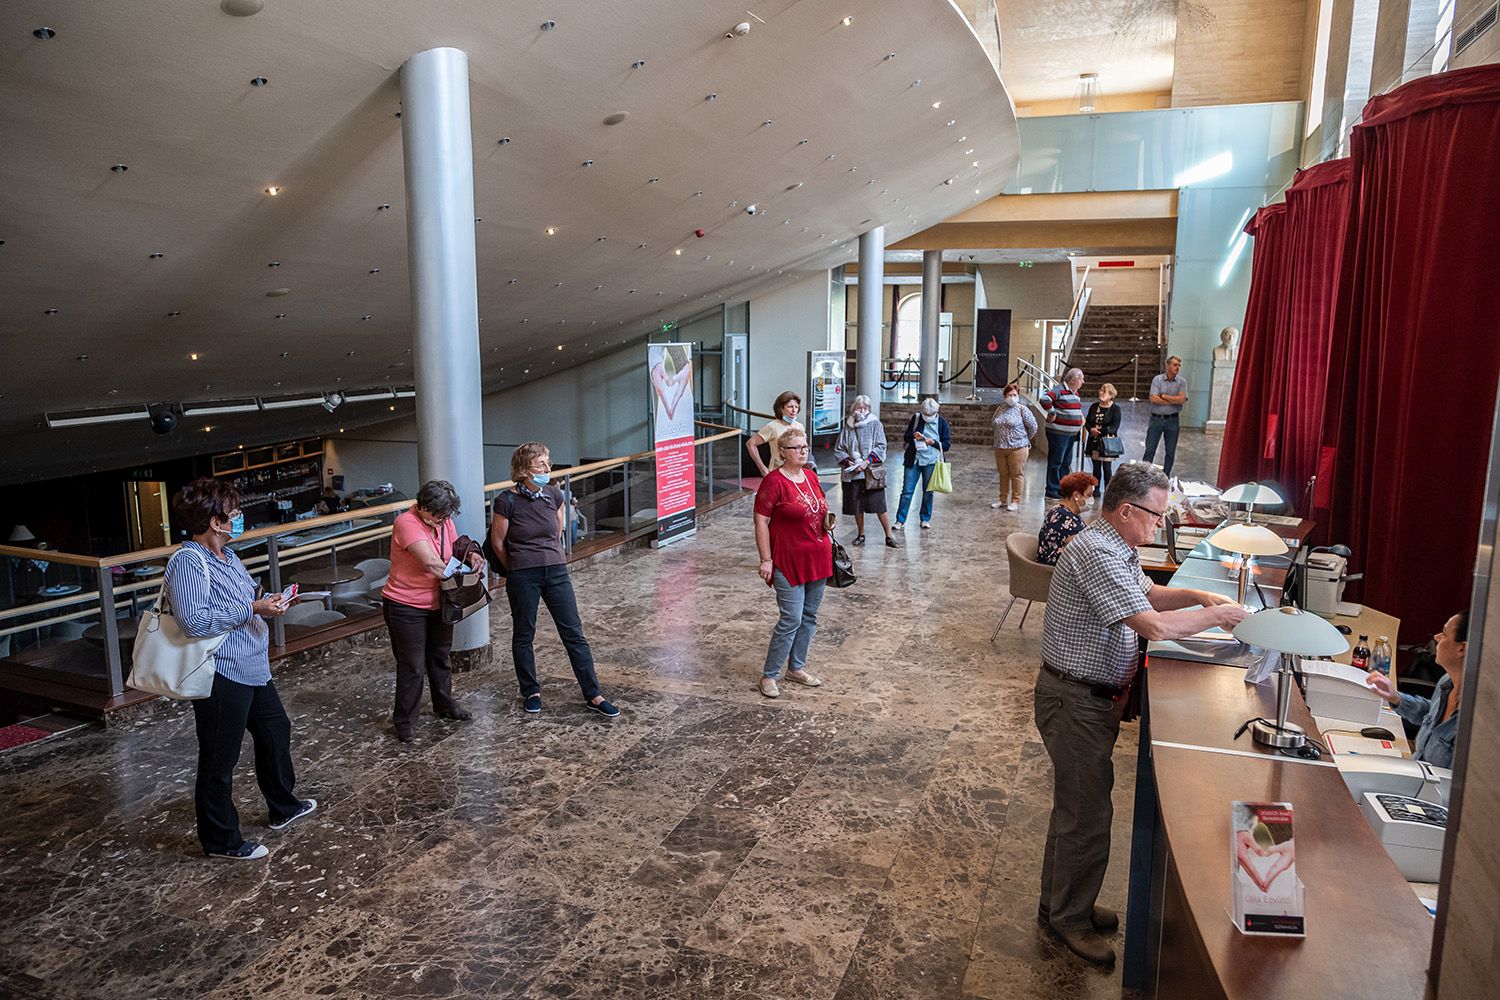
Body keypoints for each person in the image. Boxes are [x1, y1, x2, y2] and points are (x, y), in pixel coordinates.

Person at [1035, 463, 1249, 966]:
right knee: (1087, 816)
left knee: (1076, 809)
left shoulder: (1117, 545)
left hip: (1090, 700)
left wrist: (1196, 594)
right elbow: (1152, 625)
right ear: (1127, 510)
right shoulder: (1097, 552)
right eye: (1157, 514)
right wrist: (1219, 617)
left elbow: (1148, 595)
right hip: (1074, 702)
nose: (1161, 523)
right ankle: (1068, 919)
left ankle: (1062, 902)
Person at [167, 478, 315, 861]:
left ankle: (283, 806)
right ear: (214, 521)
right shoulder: (187, 561)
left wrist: (270, 601)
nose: (237, 518)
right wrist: (253, 609)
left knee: (275, 730)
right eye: (232, 514)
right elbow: (193, 621)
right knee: (219, 758)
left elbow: (249, 597)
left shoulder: (228, 557)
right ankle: (221, 841)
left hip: (252, 665)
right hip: (220, 671)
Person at [490, 442, 619, 718]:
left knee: (574, 633)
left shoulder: (553, 493)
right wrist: (517, 567)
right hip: (523, 574)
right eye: (541, 465)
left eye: (548, 462)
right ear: (524, 470)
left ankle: (593, 694)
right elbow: (498, 542)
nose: (547, 469)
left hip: (556, 570)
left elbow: (557, 531)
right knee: (524, 633)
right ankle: (531, 691)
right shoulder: (506, 500)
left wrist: (550, 558)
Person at [382, 480, 482, 743]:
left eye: (445, 517)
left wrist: (471, 557)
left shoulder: (444, 520)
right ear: (422, 507)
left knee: (440, 657)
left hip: (439, 601)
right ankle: (404, 721)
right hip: (405, 605)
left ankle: (444, 704)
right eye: (437, 517)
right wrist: (466, 575)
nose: (442, 521)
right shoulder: (406, 523)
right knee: (412, 666)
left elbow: (451, 551)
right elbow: (431, 563)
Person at [754, 425, 832, 698]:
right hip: (787, 559)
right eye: (796, 448)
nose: (803, 451)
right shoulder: (774, 481)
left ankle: (796, 667)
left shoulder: (810, 476)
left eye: (805, 447)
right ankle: (769, 675)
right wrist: (766, 560)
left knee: (809, 616)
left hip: (818, 556)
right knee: (791, 618)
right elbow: (761, 521)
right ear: (782, 452)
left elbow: (820, 507)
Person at [1366, 611, 1467, 768]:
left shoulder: (1471, 721)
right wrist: (1396, 697)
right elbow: (1430, 713)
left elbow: (1451, 785)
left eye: (1445, 634)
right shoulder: (1446, 682)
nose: (1436, 637)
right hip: (1415, 771)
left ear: (1462, 649)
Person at [833, 394, 898, 548]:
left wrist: (867, 461)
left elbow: (881, 446)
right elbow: (839, 448)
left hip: (871, 473)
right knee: (857, 506)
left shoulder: (875, 424)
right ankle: (861, 534)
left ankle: (889, 536)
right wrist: (848, 461)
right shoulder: (847, 425)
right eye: (858, 407)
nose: (861, 410)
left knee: (879, 506)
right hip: (853, 473)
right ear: (853, 408)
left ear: (869, 409)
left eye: (864, 407)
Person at [895, 395, 951, 530]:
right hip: (914, 459)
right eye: (925, 414)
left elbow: (947, 444)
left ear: (935, 412)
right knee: (907, 491)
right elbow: (906, 436)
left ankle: (925, 518)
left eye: (930, 414)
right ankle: (900, 520)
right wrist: (914, 435)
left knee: (928, 492)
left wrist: (933, 442)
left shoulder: (942, 423)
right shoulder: (916, 418)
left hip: (931, 460)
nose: (927, 416)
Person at [1040, 368, 1085, 499]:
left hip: (1071, 434)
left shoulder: (1075, 393)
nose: (1083, 381)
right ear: (1072, 380)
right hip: (1058, 433)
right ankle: (1052, 488)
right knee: (1056, 461)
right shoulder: (1059, 390)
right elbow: (1045, 399)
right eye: (1081, 378)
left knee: (1066, 462)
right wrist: (1052, 413)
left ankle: (1063, 488)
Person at [991, 382, 1036, 511]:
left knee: (1016, 474)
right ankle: (1002, 499)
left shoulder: (1022, 409)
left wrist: (1024, 439)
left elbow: (1033, 426)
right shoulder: (1000, 408)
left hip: (1018, 448)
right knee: (1003, 474)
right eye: (1009, 395)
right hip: (1000, 447)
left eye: (1014, 395)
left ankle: (1016, 501)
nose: (1012, 397)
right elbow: (993, 422)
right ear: (1005, 396)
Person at [1036, 472, 1096, 565]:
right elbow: (1086, 545)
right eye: (1089, 495)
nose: (1092, 499)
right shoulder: (1064, 517)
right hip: (1055, 571)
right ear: (1076, 496)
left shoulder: (1059, 509)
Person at [1142, 355, 1188, 475]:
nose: (1177, 367)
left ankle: (1166, 476)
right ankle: (1144, 475)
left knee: (1170, 451)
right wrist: (1174, 399)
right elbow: (1153, 399)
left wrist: (1164, 396)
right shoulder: (1157, 380)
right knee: (1150, 449)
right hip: (1156, 419)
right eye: (1175, 365)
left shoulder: (1181, 382)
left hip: (1172, 420)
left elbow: (1182, 399)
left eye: (1179, 365)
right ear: (1167, 365)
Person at [745, 390, 804, 477]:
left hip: (797, 472)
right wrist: (762, 468)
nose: (794, 410)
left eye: (796, 407)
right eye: (790, 407)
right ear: (781, 408)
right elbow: (751, 444)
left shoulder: (800, 426)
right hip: (778, 473)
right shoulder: (772, 426)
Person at [1084, 383, 1122, 496]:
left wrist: (1100, 431)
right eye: (1100, 390)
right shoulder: (1094, 406)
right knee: (1095, 466)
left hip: (1106, 442)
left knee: (1106, 467)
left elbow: (1115, 426)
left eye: (1104, 391)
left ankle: (1107, 489)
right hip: (1094, 441)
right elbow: (1088, 422)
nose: (1101, 393)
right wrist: (1091, 429)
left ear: (1111, 395)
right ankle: (1096, 488)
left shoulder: (1115, 408)